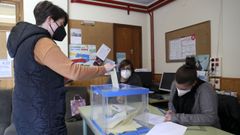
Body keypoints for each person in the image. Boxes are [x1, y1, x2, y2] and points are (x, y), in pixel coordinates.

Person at [6, 1, 115, 135]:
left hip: (25, 116)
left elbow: (37, 79)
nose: (62, 29)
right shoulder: (42, 42)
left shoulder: (23, 43)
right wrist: (104, 69)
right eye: (61, 24)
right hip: (44, 120)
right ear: (50, 20)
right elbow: (76, 72)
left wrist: (60, 80)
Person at [164, 57, 220, 127]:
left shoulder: (205, 89)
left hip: (206, 128)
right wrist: (171, 111)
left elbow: (210, 118)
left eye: (183, 89)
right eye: (177, 87)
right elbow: (171, 102)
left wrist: (177, 117)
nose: (179, 91)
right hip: (182, 126)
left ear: (193, 84)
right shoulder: (174, 83)